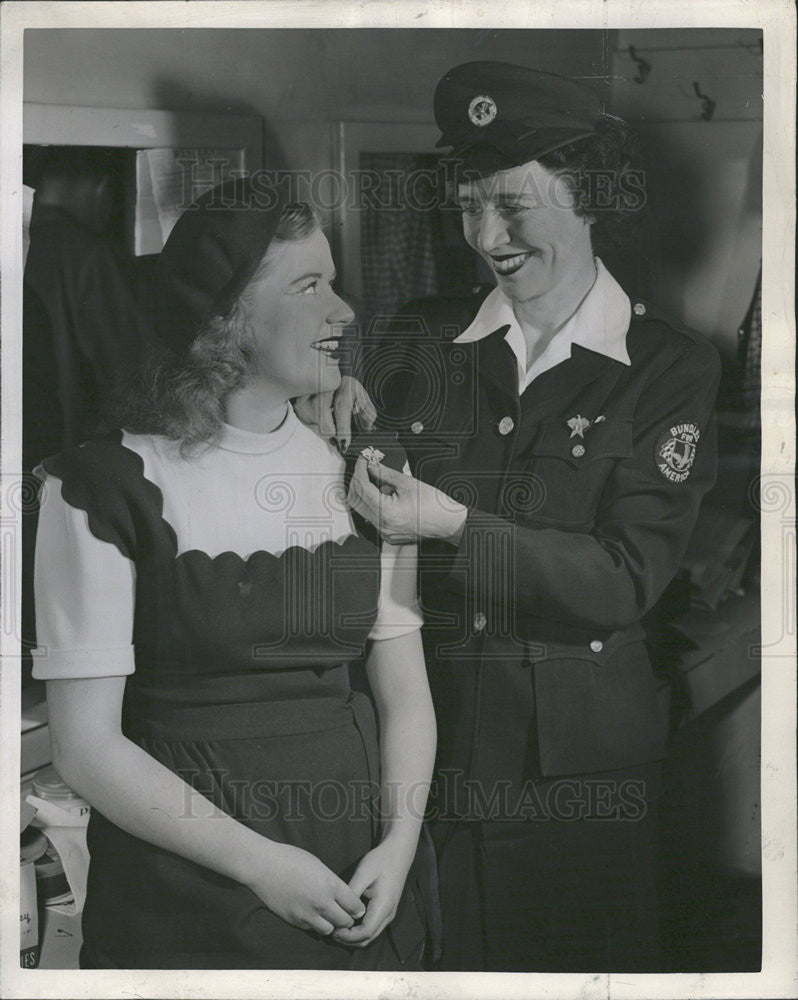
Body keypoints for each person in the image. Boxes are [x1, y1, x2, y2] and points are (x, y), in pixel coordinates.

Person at [338, 62, 722, 971]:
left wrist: (457, 528)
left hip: (573, 780)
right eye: (470, 206)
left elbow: (622, 581)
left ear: (587, 197)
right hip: (419, 758)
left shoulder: (669, 370)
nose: (486, 236)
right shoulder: (420, 338)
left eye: (513, 205)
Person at [32, 179, 436, 970]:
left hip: (360, 870)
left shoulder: (369, 469)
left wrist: (399, 845)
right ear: (226, 318)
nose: (344, 311)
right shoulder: (100, 487)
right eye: (309, 285)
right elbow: (85, 749)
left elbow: (405, 692)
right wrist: (261, 865)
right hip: (187, 895)